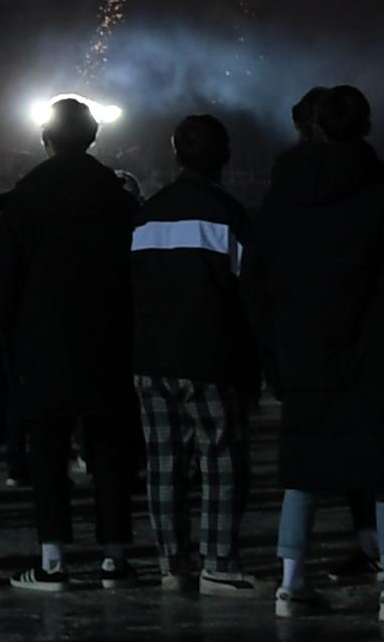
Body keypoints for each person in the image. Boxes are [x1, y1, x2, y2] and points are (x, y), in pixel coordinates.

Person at [255, 85, 384, 618]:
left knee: (304, 469)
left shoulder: (281, 195)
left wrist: (273, 352)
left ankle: (291, 583)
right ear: (365, 127)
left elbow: (257, 279)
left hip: (302, 353)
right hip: (376, 349)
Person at [0, 95, 142, 592]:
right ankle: (115, 557)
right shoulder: (119, 201)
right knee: (109, 450)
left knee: (46, 453)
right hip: (107, 338)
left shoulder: (21, 201)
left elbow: (5, 280)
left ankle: (53, 560)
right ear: (93, 138)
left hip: (40, 340)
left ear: (45, 139)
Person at [131, 111, 262, 597]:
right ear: (223, 156)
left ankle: (172, 565)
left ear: (175, 154)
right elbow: (249, 293)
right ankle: (219, 562)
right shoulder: (228, 214)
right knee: (221, 461)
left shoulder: (145, 214)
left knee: (164, 465)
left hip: (150, 359)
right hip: (210, 356)